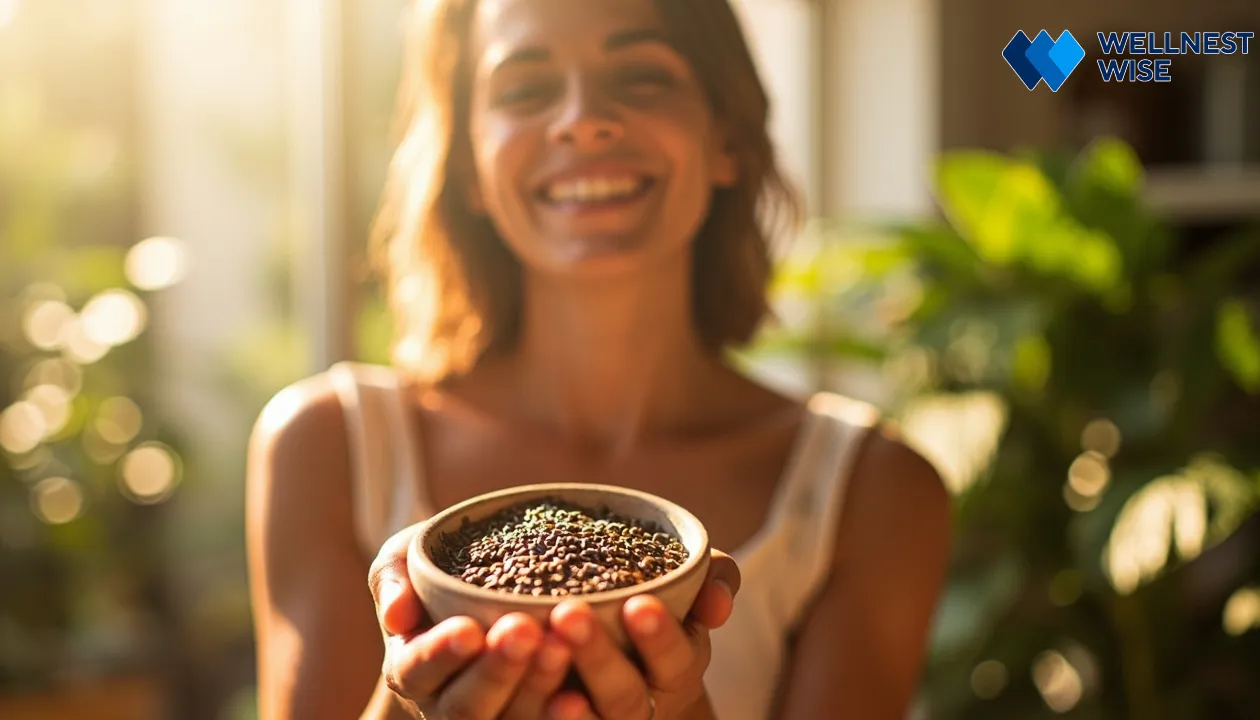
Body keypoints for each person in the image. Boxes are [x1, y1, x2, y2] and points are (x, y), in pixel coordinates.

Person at [245, 0, 951, 718]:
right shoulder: (328, 446)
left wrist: (679, 710)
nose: (582, 118)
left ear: (727, 138)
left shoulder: (874, 491)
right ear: (468, 165)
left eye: (642, 77)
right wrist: (410, 704)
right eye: (524, 89)